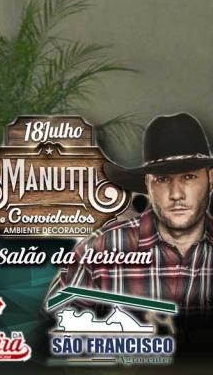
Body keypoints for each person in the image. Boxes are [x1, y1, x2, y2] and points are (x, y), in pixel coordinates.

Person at [50, 112, 213, 316]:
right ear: (147, 184)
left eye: (189, 177)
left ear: (210, 179)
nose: (176, 194)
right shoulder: (98, 251)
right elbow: (52, 327)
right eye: (162, 180)